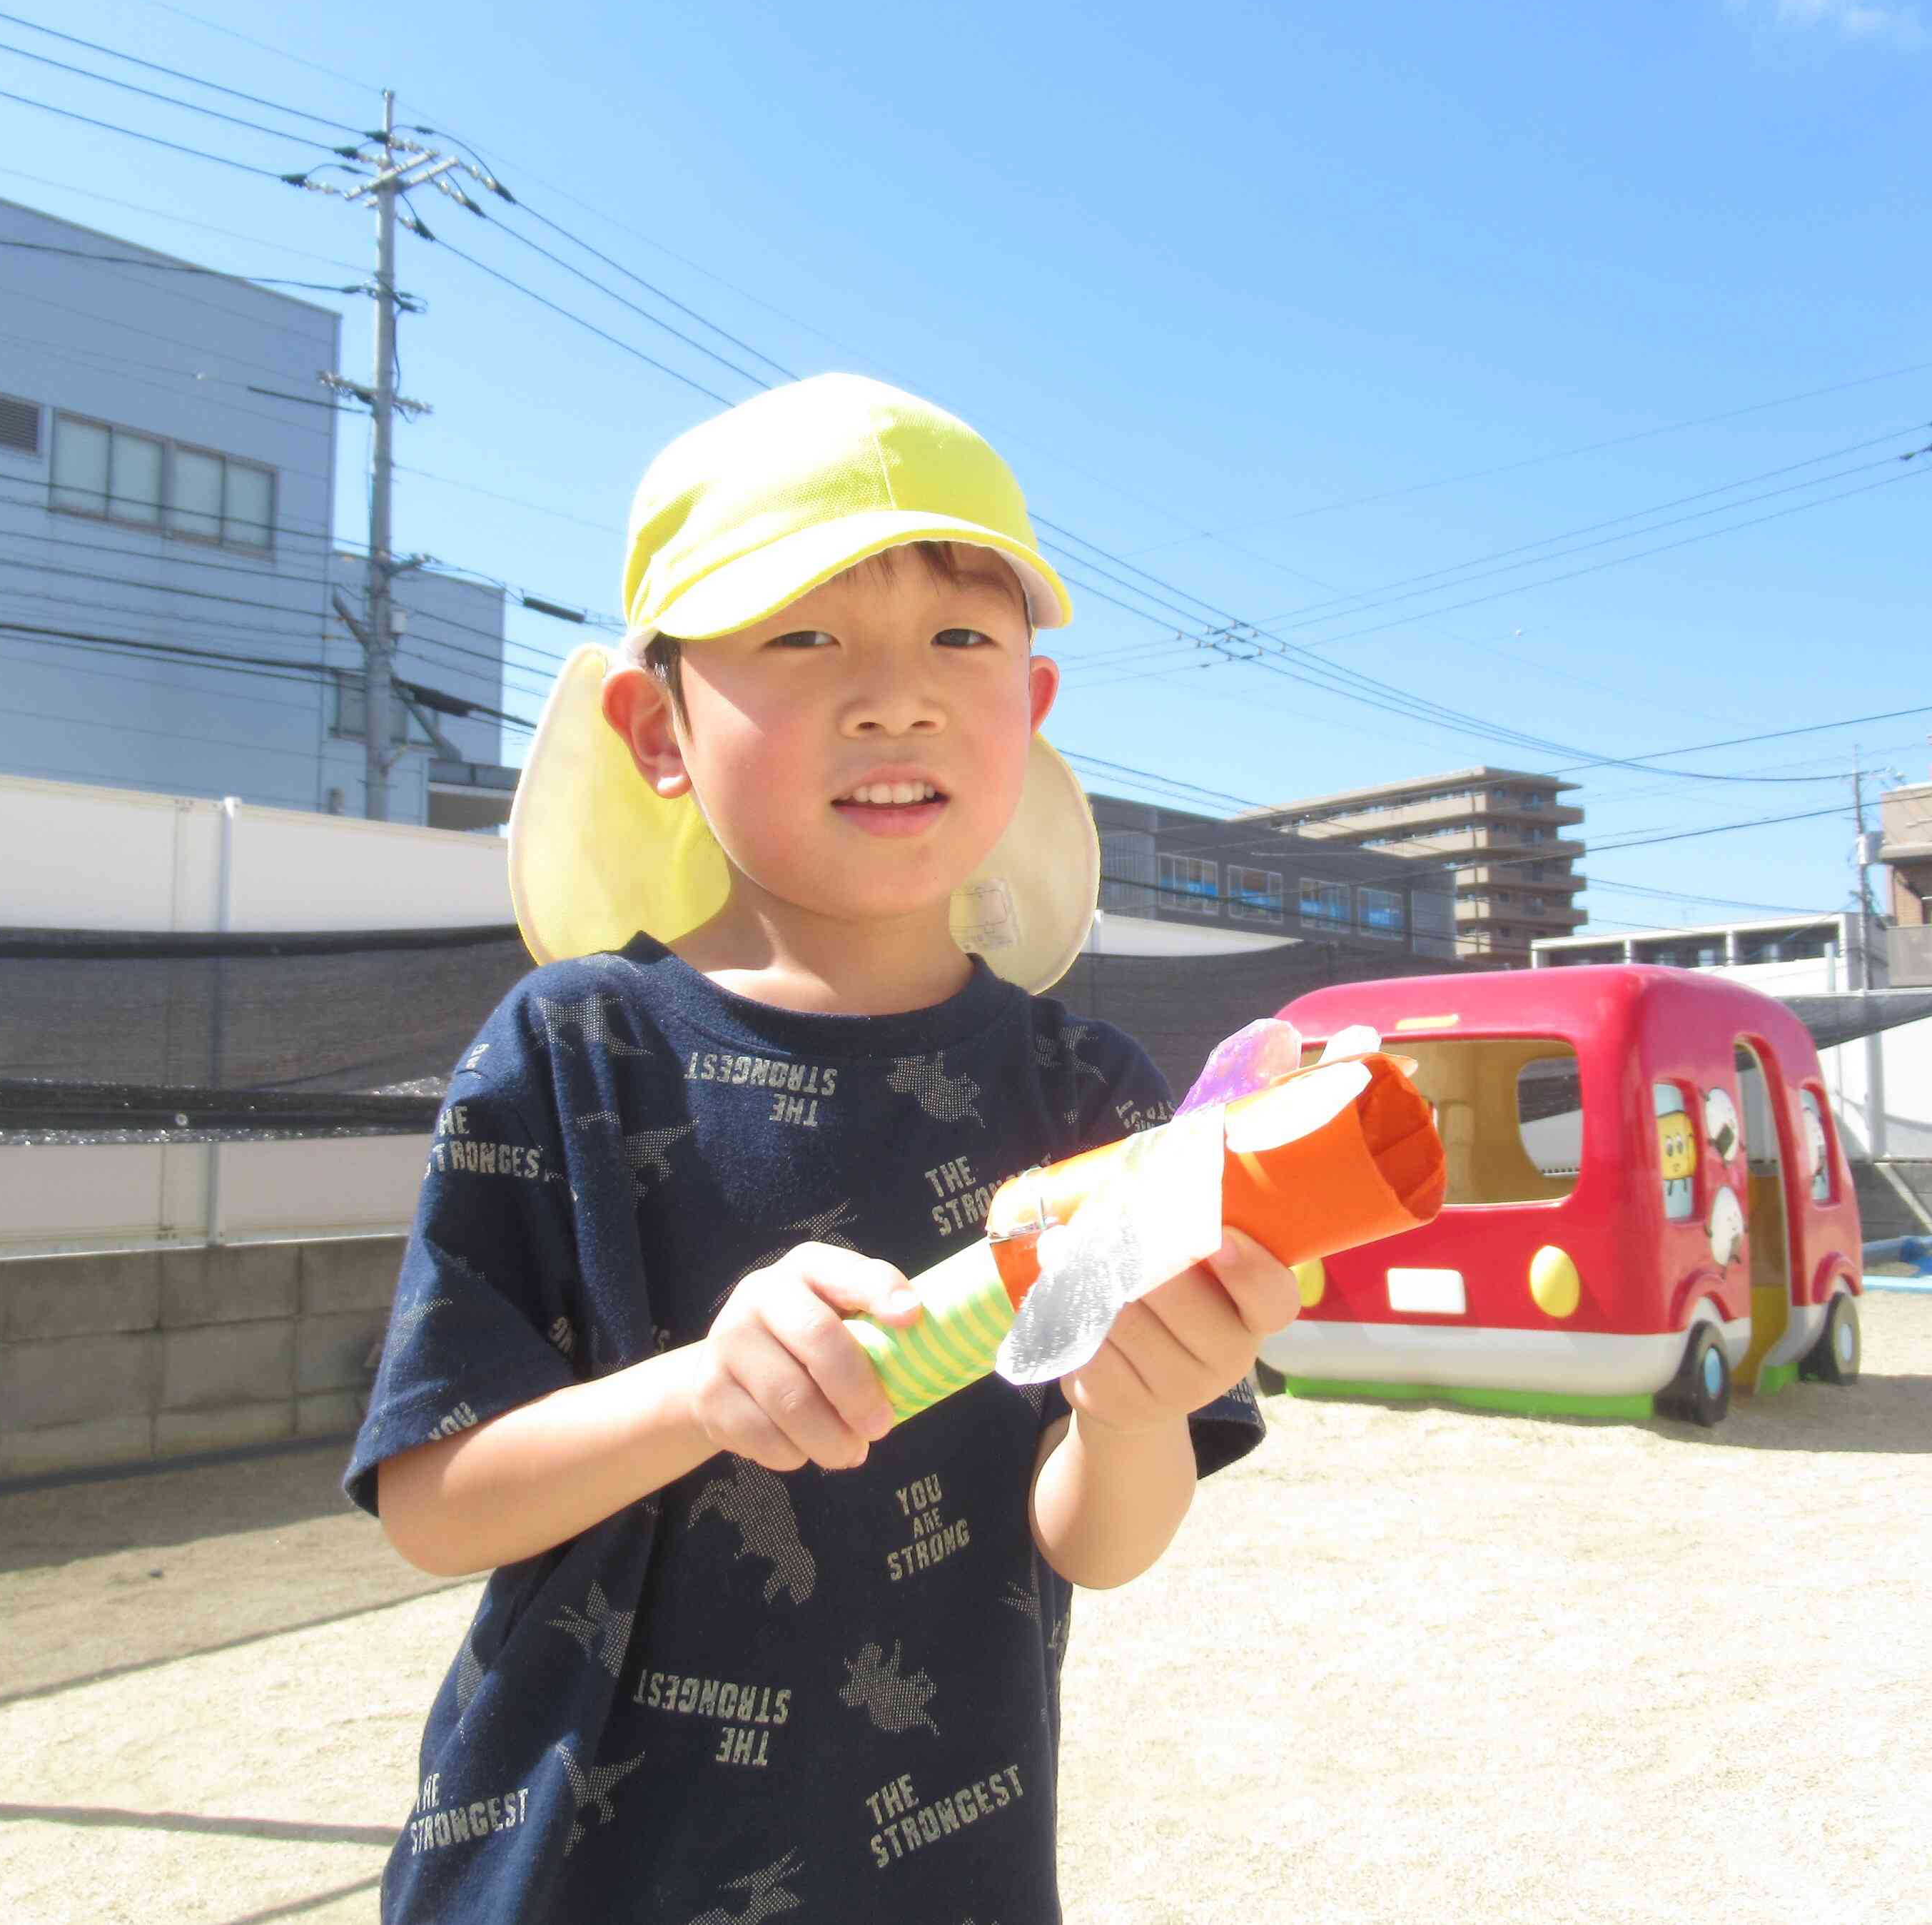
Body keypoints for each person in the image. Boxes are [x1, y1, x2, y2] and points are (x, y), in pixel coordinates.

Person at [347, 373, 1300, 1924]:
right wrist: (699, 1393)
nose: (897, 696)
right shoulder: (572, 1053)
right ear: (654, 725)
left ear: (1031, 710)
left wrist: (1140, 1412)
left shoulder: (1091, 1096)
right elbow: (433, 1503)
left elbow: (1095, 1544)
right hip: (560, 1881)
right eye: (803, 636)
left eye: (961, 639)